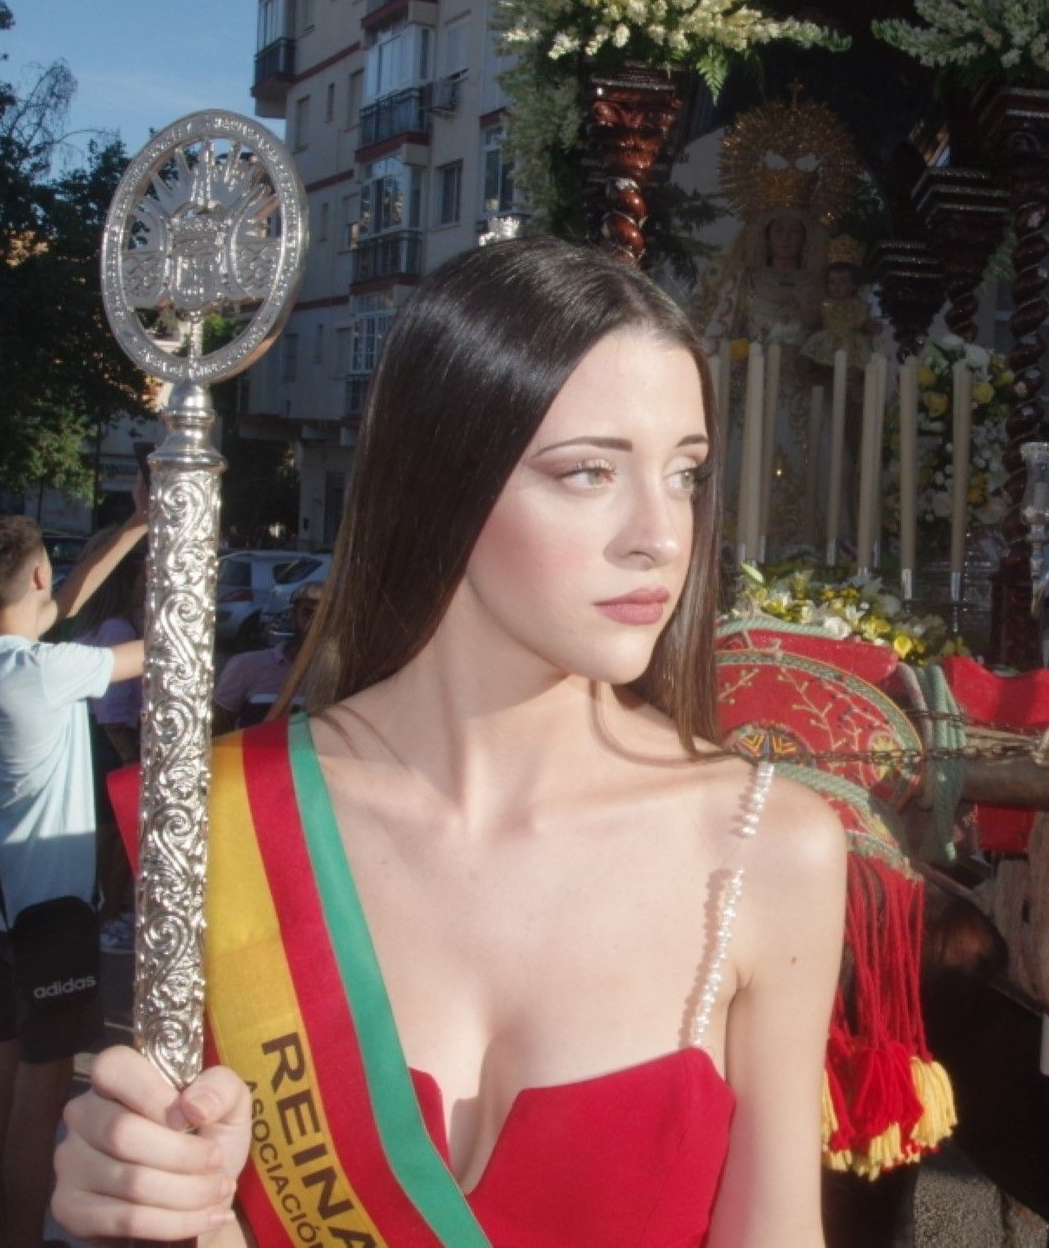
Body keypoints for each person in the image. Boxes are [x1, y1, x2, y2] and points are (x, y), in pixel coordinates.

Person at [52, 237, 846, 1247]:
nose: (661, 532)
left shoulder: (768, 846)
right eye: (589, 471)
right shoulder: (217, 822)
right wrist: (153, 1208)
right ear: (442, 481)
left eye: (685, 473)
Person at [0, 503, 146, 1248]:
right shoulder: (48, 672)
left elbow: (62, 603)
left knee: (3, 1066)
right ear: (37, 570)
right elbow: (162, 650)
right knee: (41, 1089)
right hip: (53, 913)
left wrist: (132, 525)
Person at [71, 530, 146, 954]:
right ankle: (109, 916)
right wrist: (130, 759)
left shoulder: (89, 624)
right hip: (111, 740)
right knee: (118, 833)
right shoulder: (118, 627)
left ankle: (104, 911)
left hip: (88, 736)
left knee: (105, 831)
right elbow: (114, 707)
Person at [211, 579, 320, 734]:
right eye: (308, 613)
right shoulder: (246, 666)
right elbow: (218, 728)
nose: (316, 623)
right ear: (292, 616)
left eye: (326, 615)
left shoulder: (345, 676)